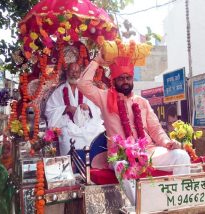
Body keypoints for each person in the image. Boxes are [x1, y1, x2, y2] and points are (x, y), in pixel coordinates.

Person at [77, 53, 190, 205]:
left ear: (132, 79)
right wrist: (97, 61)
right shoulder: (105, 98)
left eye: (128, 78)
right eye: (121, 78)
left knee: (181, 156)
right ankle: (143, 209)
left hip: (147, 152)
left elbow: (156, 129)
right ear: (114, 80)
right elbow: (83, 85)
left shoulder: (142, 102)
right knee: (121, 166)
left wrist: (167, 142)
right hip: (120, 155)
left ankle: (176, 204)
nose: (125, 81)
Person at [45, 59, 105, 155]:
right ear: (67, 72)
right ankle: (72, 165)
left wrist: (88, 108)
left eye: (77, 72)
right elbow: (49, 110)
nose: (74, 74)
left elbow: (97, 108)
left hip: (86, 123)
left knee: (98, 130)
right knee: (67, 138)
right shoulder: (59, 91)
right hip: (67, 124)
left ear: (80, 74)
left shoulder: (86, 90)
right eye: (72, 71)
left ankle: (92, 161)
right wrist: (66, 108)